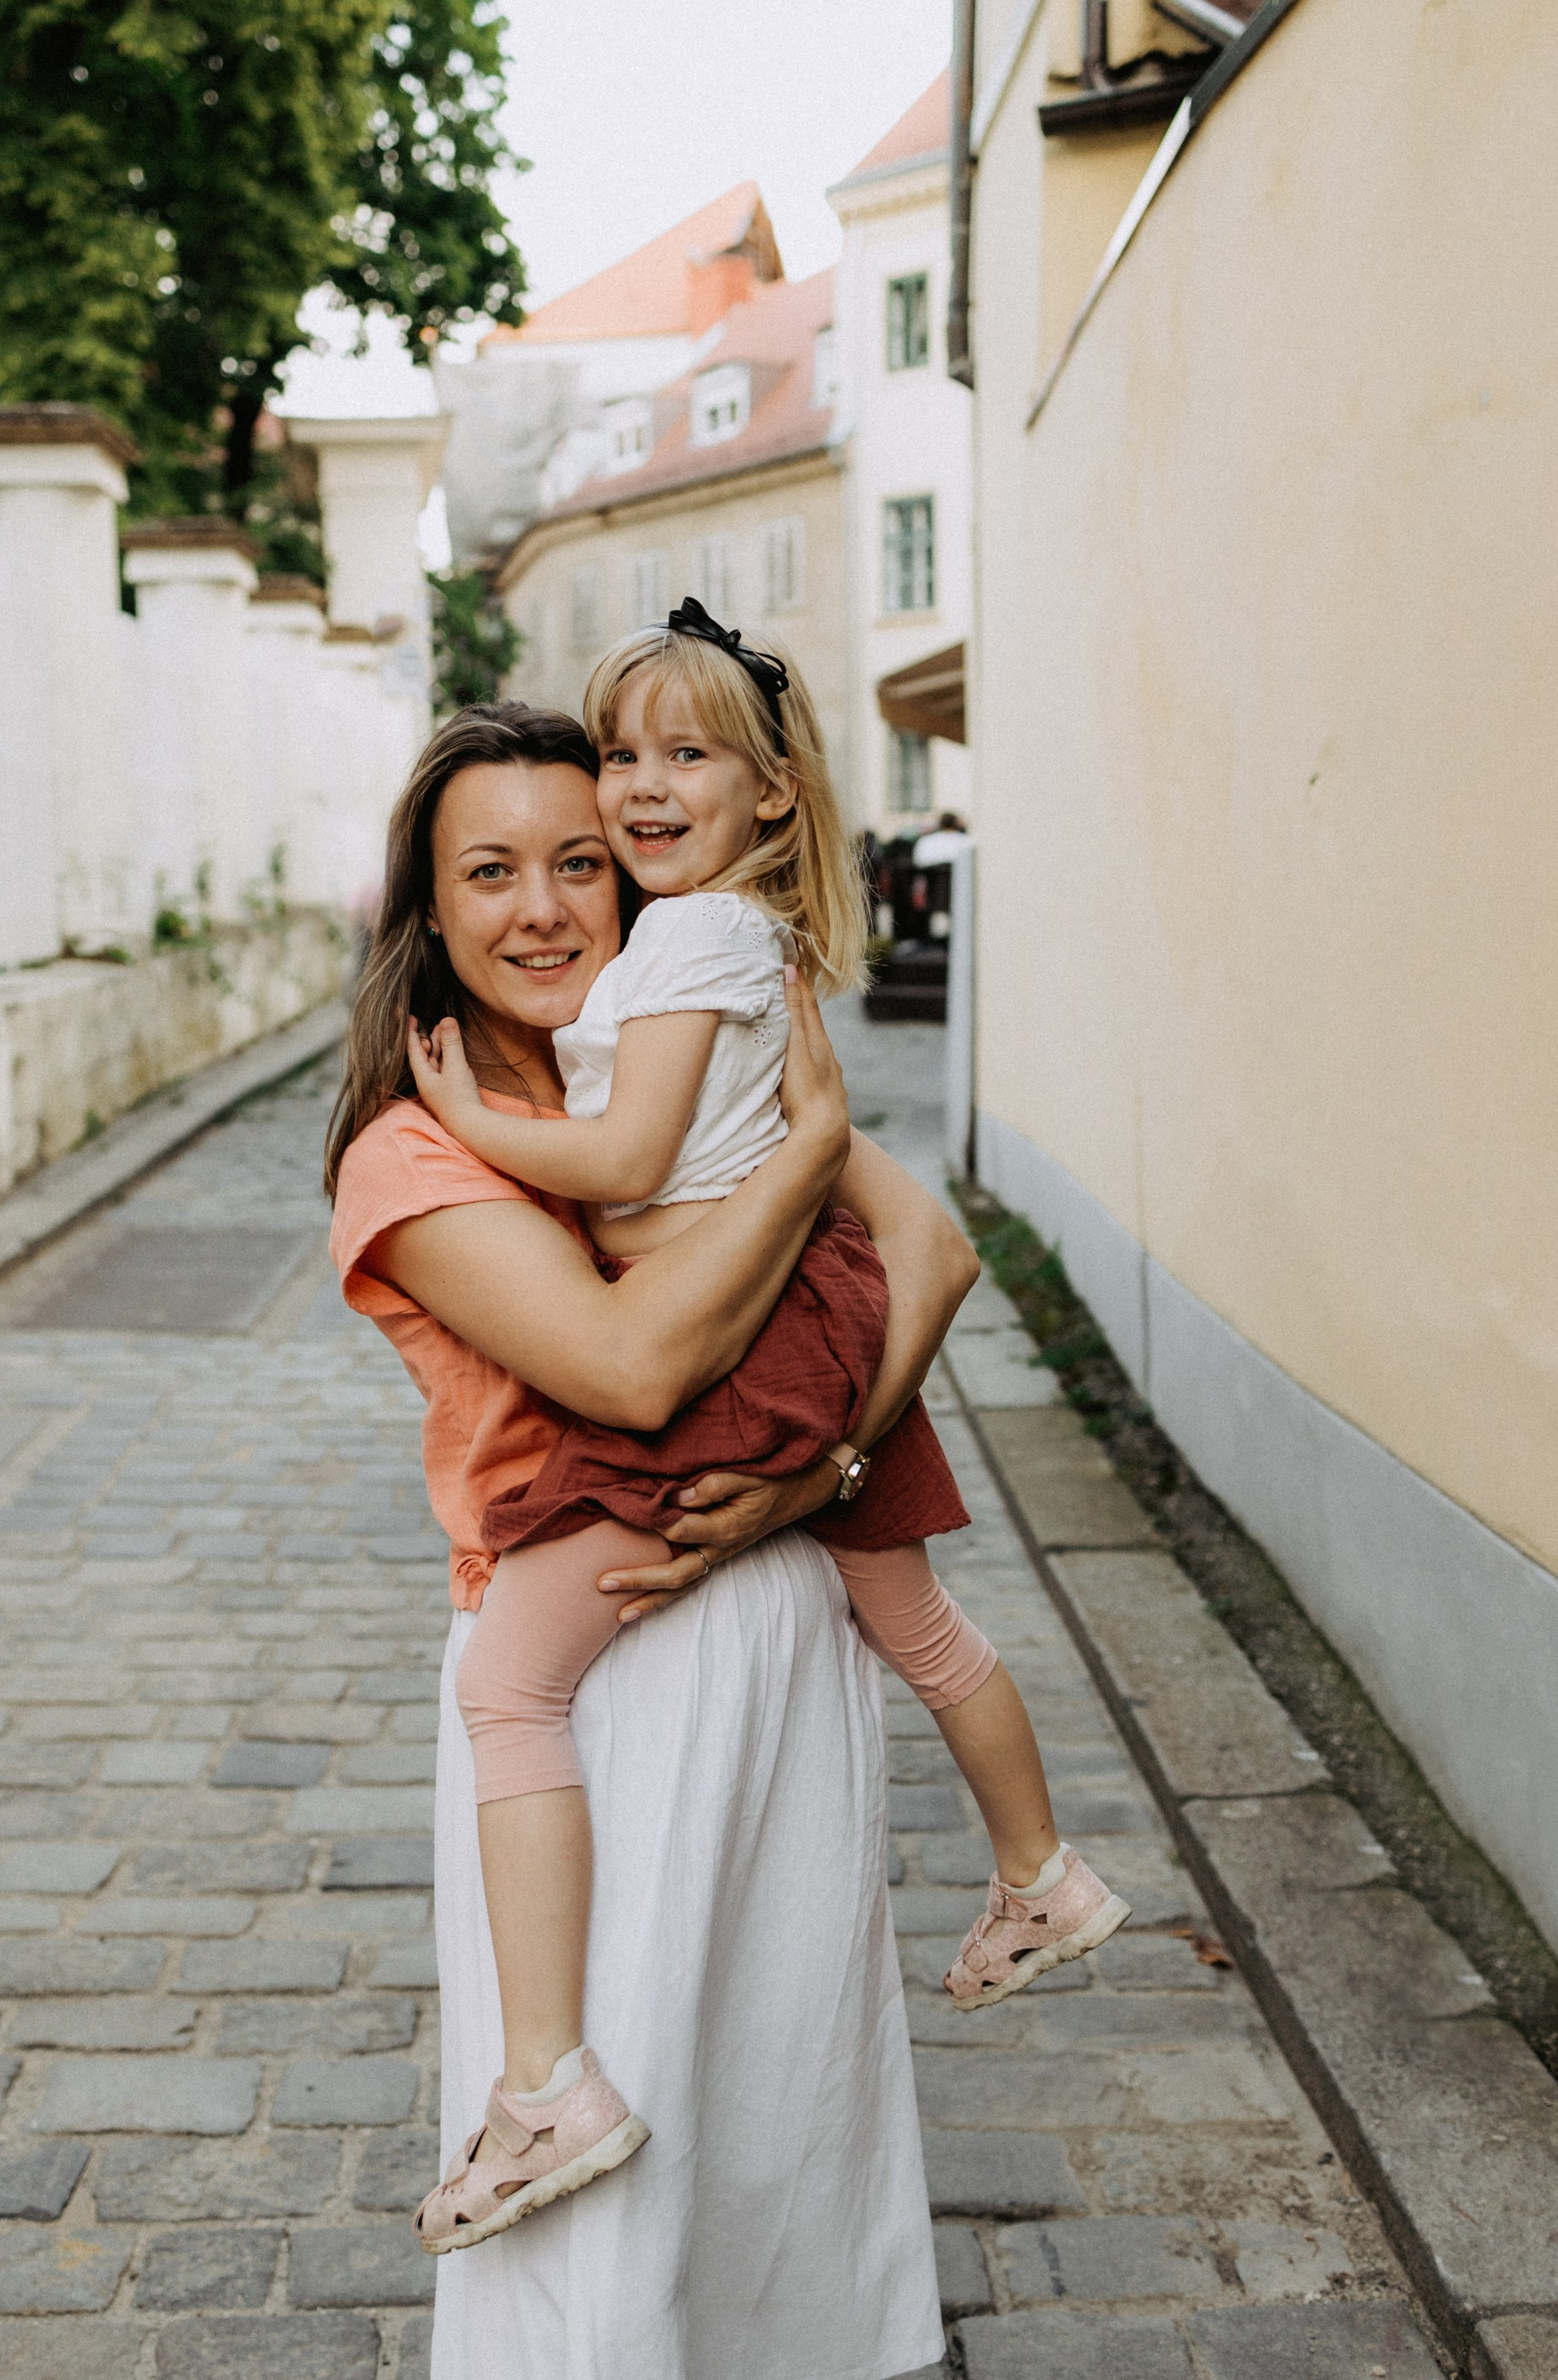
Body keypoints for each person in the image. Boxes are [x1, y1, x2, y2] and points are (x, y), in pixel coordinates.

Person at [403, 613, 1127, 2253]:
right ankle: (1042, 1872)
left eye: (686, 755)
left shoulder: (694, 949)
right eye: (625, 753)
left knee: (508, 1681)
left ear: (775, 798)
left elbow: (633, 1152)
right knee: (915, 1618)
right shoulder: (728, 945)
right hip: (805, 1324)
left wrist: (466, 1114)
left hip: (736, 1350)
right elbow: (891, 1228)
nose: (643, 786)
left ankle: (546, 2088)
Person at [326, 699, 957, 2373]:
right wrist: (808, 1156)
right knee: (618, 2147)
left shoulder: (674, 1062)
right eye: (489, 871)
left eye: (578, 863)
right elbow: (634, 1361)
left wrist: (825, 1474)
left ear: (635, 883)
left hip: (775, 1639)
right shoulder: (416, 1144)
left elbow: (938, 1255)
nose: (539, 907)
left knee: (777, 2115)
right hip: (598, 1695)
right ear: (429, 912)